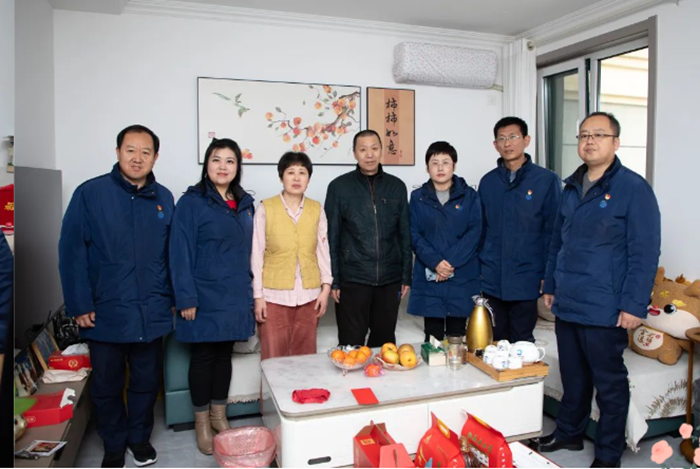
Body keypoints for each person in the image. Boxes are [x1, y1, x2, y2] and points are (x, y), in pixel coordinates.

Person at [536, 112, 661, 468]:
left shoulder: (633, 189)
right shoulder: (571, 187)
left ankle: (607, 455)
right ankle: (569, 433)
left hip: (605, 306)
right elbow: (557, 242)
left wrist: (634, 305)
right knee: (573, 377)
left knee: (609, 384)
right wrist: (551, 284)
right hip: (568, 301)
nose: (589, 141)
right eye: (584, 135)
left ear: (616, 142)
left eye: (599, 135)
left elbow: (645, 253)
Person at [58, 125, 173, 468]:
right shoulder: (90, 193)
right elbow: (71, 251)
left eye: (145, 152)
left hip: (151, 309)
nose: (138, 158)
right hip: (105, 311)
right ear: (118, 152)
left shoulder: (164, 198)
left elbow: (172, 255)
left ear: (155, 157)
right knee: (106, 385)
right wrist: (79, 303)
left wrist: (172, 298)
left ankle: (139, 439)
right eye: (130, 150)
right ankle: (113, 443)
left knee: (146, 382)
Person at [169, 138, 256, 455]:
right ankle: (201, 422)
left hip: (234, 295)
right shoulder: (191, 203)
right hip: (203, 295)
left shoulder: (244, 203)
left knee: (223, 356)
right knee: (203, 357)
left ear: (237, 167)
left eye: (230, 161)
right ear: (206, 164)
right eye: (216, 159)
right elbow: (179, 252)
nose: (223, 166)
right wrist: (185, 297)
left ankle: (219, 416)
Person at [325, 130, 412, 347]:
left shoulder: (397, 186)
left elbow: (404, 234)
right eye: (363, 149)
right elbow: (332, 237)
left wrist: (405, 277)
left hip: (389, 279)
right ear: (354, 153)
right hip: (353, 279)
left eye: (374, 148)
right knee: (350, 346)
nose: (369, 154)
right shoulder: (339, 187)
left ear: (381, 150)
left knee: (384, 346)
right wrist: (334, 279)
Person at [478, 117, 561, 342]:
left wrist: (548, 276)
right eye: (502, 139)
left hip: (527, 276)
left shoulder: (546, 180)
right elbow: (480, 230)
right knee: (494, 342)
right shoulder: (488, 182)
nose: (507, 143)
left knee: (522, 343)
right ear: (495, 144)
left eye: (513, 137)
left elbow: (553, 232)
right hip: (492, 276)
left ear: (526, 140)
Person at [252, 152, 332, 361]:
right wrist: (258, 296)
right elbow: (256, 254)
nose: (296, 178)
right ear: (281, 177)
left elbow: (323, 252)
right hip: (273, 297)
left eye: (302, 173)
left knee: (305, 360)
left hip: (309, 296)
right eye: (290, 172)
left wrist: (325, 289)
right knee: (273, 360)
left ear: (308, 179)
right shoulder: (266, 208)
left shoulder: (317, 209)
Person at [407, 142, 481, 341]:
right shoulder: (417, 198)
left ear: (454, 166)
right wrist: (436, 263)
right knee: (433, 340)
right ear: (427, 168)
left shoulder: (470, 196)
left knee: (458, 336)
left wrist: (449, 263)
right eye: (434, 163)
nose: (440, 168)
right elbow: (414, 233)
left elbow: (474, 232)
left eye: (445, 162)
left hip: (461, 275)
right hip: (430, 276)